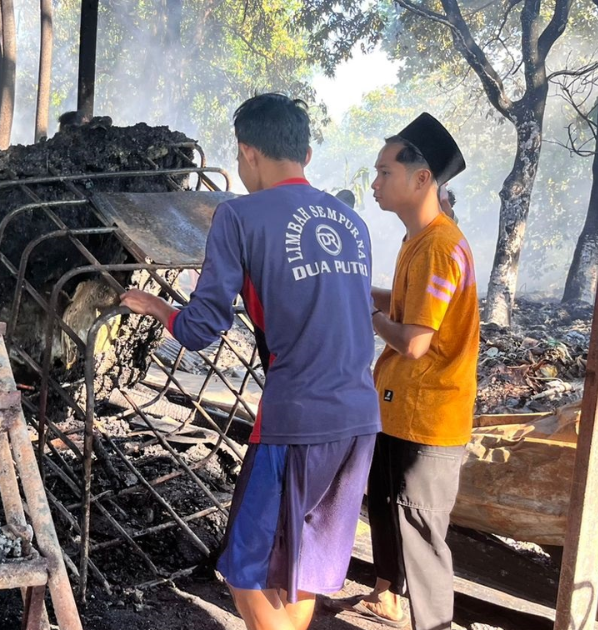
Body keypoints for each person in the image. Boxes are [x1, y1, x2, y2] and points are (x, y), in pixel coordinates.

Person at [120, 94, 380, 630]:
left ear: (247, 152)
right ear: (304, 153)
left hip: (295, 417)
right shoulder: (350, 220)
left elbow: (199, 329)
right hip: (358, 418)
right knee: (302, 565)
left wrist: (154, 305)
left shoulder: (238, 215)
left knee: (243, 568)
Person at [329, 113, 479, 630]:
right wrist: (361, 289)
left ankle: (433, 622)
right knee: (388, 506)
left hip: (429, 416)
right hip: (399, 406)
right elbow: (410, 303)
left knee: (420, 529)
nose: (374, 183)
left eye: (384, 171)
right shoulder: (419, 239)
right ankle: (385, 597)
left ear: (421, 179)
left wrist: (365, 315)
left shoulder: (439, 246)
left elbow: (415, 340)